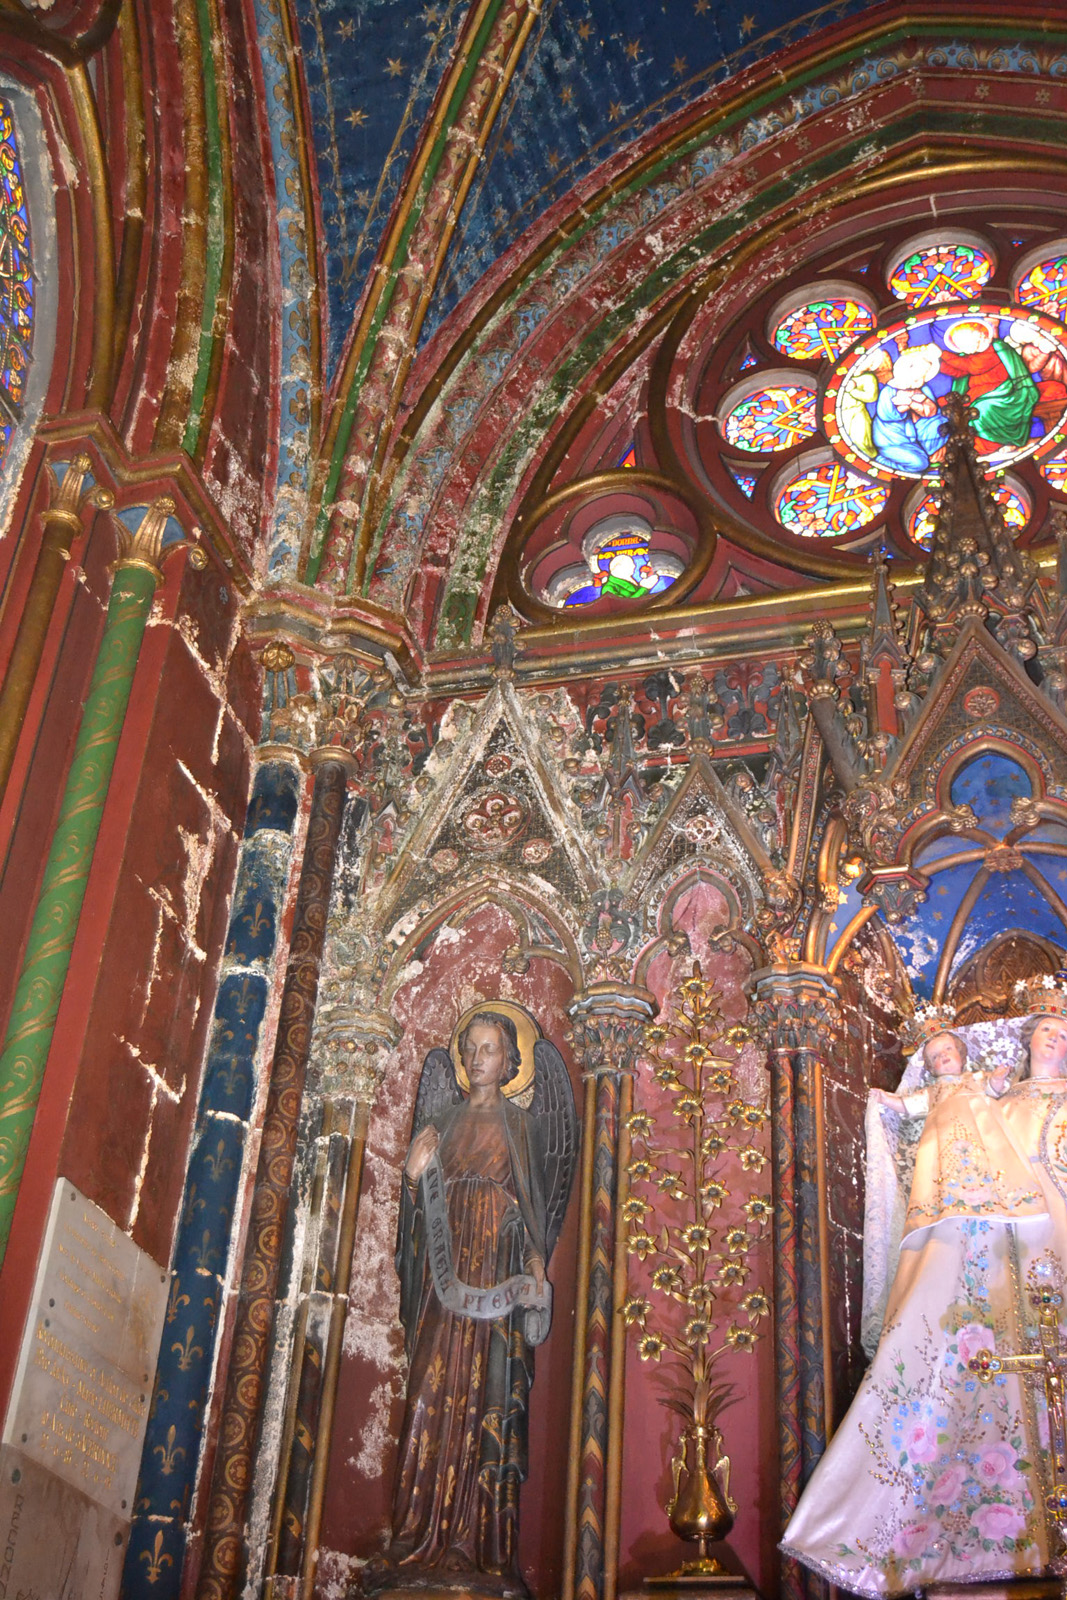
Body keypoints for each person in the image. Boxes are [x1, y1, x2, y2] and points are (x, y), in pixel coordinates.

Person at [782, 996, 1067, 1598]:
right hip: (1000, 1252)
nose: (1052, 1042)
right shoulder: (999, 1102)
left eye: (1061, 1033)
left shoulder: (1010, 1095)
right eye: (1044, 1032)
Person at [368, 1014, 548, 1597]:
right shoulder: (438, 1123)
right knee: (429, 1388)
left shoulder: (520, 1127)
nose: (478, 1058)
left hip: (495, 1279)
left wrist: (534, 1264)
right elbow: (413, 1223)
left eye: (490, 1049)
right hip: (444, 1287)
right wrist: (415, 1175)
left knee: (486, 1396)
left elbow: (533, 1210)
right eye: (470, 1049)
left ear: (508, 1062)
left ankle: (481, 1544)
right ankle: (417, 1532)